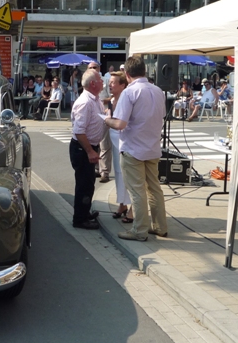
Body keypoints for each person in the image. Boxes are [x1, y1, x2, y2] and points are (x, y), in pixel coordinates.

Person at [105, 56, 168, 241]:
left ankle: (139, 230)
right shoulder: (158, 90)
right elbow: (161, 116)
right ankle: (160, 226)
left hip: (133, 148)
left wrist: (106, 120)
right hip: (152, 146)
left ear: (126, 73)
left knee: (137, 191)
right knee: (154, 189)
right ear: (144, 71)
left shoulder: (129, 92)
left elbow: (120, 124)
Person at [69, 68, 106, 230]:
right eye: (100, 79)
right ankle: (80, 219)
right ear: (93, 84)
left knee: (89, 182)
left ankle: (84, 212)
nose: (103, 81)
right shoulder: (85, 102)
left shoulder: (95, 99)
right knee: (84, 184)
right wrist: (90, 151)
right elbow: (79, 131)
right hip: (82, 148)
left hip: (89, 146)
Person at [107, 71, 133, 222]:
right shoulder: (111, 100)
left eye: (113, 82)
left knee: (126, 172)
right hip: (114, 137)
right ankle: (122, 203)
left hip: (124, 139)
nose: (110, 85)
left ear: (122, 85)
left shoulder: (126, 99)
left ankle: (130, 206)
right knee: (117, 172)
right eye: (109, 82)